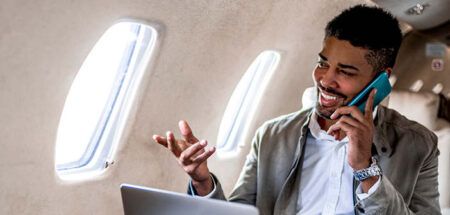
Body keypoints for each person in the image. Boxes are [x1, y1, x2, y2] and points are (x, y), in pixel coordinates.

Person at [153, 5, 441, 215]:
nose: (326, 80)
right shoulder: (272, 136)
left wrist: (366, 168)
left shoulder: (419, 145)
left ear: (380, 80)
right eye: (323, 63)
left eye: (346, 71)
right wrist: (203, 183)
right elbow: (240, 213)